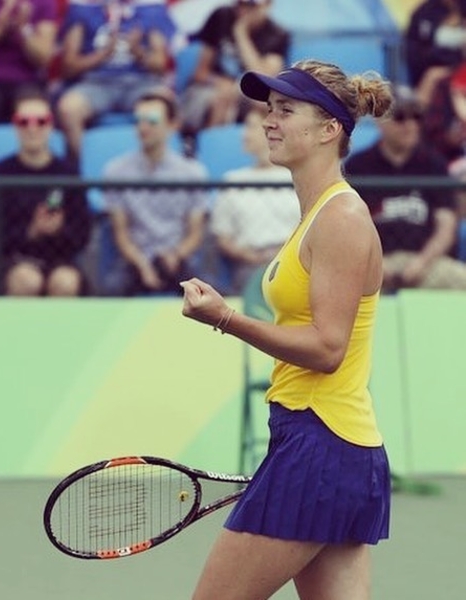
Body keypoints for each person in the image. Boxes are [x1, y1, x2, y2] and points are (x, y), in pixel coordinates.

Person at [181, 59, 392, 600]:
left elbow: (327, 348)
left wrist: (226, 319)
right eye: (269, 109)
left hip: (322, 443)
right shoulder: (318, 214)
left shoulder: (341, 218)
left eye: (286, 110)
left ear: (329, 130)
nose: (269, 121)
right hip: (326, 444)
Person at [346, 84, 466, 292]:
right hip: (372, 262)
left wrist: (421, 263)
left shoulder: (433, 164)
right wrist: (375, 263)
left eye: (416, 117)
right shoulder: (358, 166)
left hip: (427, 261)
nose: (410, 125)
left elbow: (446, 225)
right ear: (380, 121)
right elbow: (347, 228)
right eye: (400, 117)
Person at [102, 87, 208, 296]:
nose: (143, 127)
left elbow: (195, 233)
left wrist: (176, 255)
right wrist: (141, 263)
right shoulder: (115, 171)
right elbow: (121, 233)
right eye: (138, 120)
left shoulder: (193, 172)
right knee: (110, 289)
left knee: (208, 295)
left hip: (178, 258)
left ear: (172, 125)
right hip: (134, 259)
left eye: (151, 121)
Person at [0, 89, 92, 296]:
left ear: (51, 125)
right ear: (14, 126)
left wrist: (59, 230)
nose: (32, 128)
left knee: (65, 282)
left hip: (60, 260)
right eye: (24, 121)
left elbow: (82, 234)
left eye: (41, 121)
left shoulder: (68, 173)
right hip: (11, 260)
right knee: (26, 280)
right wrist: (30, 232)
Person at [56, 0, 182, 159]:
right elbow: (68, 67)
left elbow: (160, 66)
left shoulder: (151, 8)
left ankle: (162, 167)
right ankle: (81, 169)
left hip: (140, 83)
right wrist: (102, 55)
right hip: (96, 83)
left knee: (168, 106)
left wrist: (138, 52)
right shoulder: (83, 8)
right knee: (69, 109)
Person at [210, 101, 300, 294]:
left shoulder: (298, 177)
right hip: (248, 266)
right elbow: (222, 236)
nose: (244, 134)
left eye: (251, 127)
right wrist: (249, 255)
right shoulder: (232, 180)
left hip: (293, 263)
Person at [180, 0, 290, 140]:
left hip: (248, 92)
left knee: (263, 105)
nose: (243, 10)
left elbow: (264, 79)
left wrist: (241, 34)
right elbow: (200, 72)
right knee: (220, 98)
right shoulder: (220, 16)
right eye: (239, 3)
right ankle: (207, 145)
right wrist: (219, 83)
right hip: (213, 88)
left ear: (267, 5)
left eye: (251, 5)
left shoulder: (278, 35)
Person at [0, 0, 58, 124]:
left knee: (33, 113)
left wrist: (23, 29)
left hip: (27, 81)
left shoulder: (43, 2)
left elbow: (43, 58)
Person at [404, 0, 466, 106]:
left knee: (433, 76)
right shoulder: (425, 12)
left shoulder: (462, 9)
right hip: (433, 66)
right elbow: (414, 48)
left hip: (459, 66)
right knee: (432, 76)